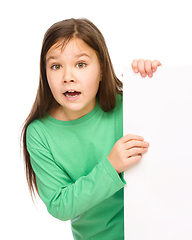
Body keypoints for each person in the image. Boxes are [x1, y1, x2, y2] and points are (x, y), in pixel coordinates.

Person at [21, 18, 161, 239]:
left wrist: (155, 83)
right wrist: (110, 166)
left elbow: (174, 141)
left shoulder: (129, 105)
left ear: (103, 71)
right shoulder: (40, 133)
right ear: (44, 73)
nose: (68, 77)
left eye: (81, 64)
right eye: (56, 66)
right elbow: (60, 205)